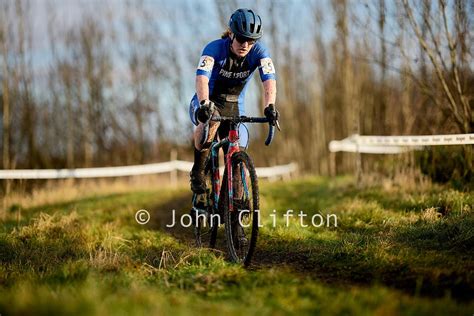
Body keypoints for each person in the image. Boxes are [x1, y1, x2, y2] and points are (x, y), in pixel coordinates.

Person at [189, 8, 278, 195]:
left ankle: (233, 206)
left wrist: (270, 107)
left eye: (251, 40)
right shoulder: (213, 48)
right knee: (210, 122)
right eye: (241, 39)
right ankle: (198, 171)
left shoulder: (260, 52)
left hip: (235, 106)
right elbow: (202, 79)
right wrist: (204, 103)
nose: (245, 44)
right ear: (231, 34)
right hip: (209, 101)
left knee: (238, 159)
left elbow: (269, 80)